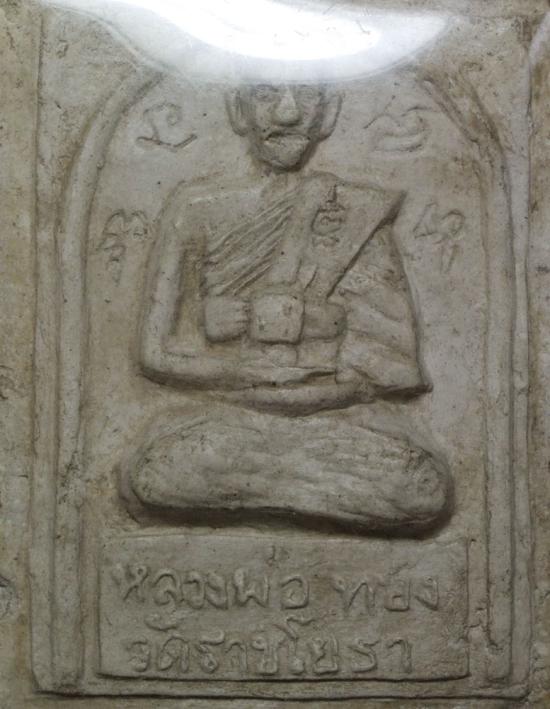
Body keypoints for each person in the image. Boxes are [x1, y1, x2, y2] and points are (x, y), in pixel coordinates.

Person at [121, 83, 451, 533]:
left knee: (422, 487)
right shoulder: (195, 208)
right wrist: (221, 343)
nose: (288, 113)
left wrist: (318, 326)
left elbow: (393, 365)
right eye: (264, 95)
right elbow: (154, 355)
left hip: (337, 422)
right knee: (160, 469)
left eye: (307, 95)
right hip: (229, 419)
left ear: (328, 113)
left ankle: (262, 488)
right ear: (237, 109)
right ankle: (306, 489)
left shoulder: (354, 211)